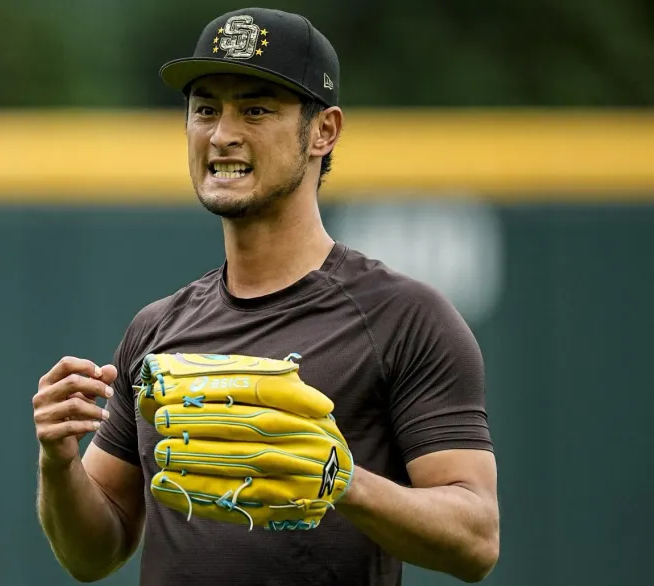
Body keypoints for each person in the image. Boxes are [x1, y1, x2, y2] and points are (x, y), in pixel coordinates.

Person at [32, 7, 499, 586]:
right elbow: (93, 554)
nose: (222, 134)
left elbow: (475, 538)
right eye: (206, 109)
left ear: (323, 131)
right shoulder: (155, 330)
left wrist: (338, 479)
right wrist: (58, 463)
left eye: (255, 110)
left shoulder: (402, 318)